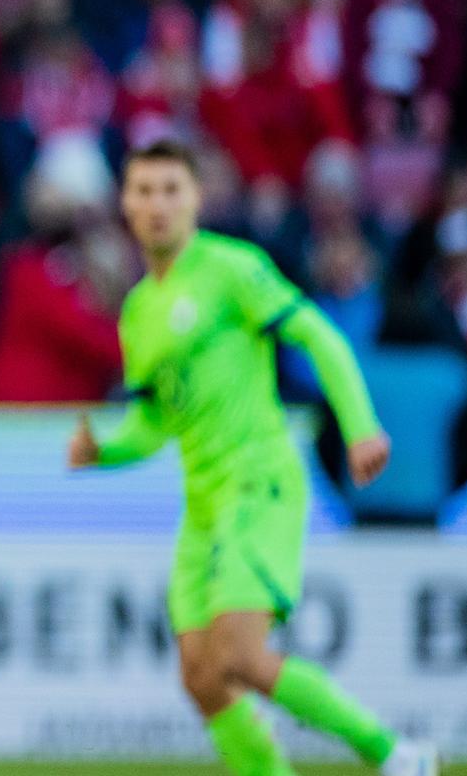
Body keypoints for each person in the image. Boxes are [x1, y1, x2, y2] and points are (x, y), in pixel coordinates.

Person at [68, 140, 439, 776]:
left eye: (171, 190)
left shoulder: (231, 268)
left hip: (259, 482)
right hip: (204, 507)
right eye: (144, 191)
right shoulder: (137, 312)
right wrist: (104, 449)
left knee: (238, 656)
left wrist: (360, 426)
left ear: (195, 200)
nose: (158, 205)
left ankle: (396, 754)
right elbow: (157, 420)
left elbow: (316, 332)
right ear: (125, 205)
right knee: (202, 678)